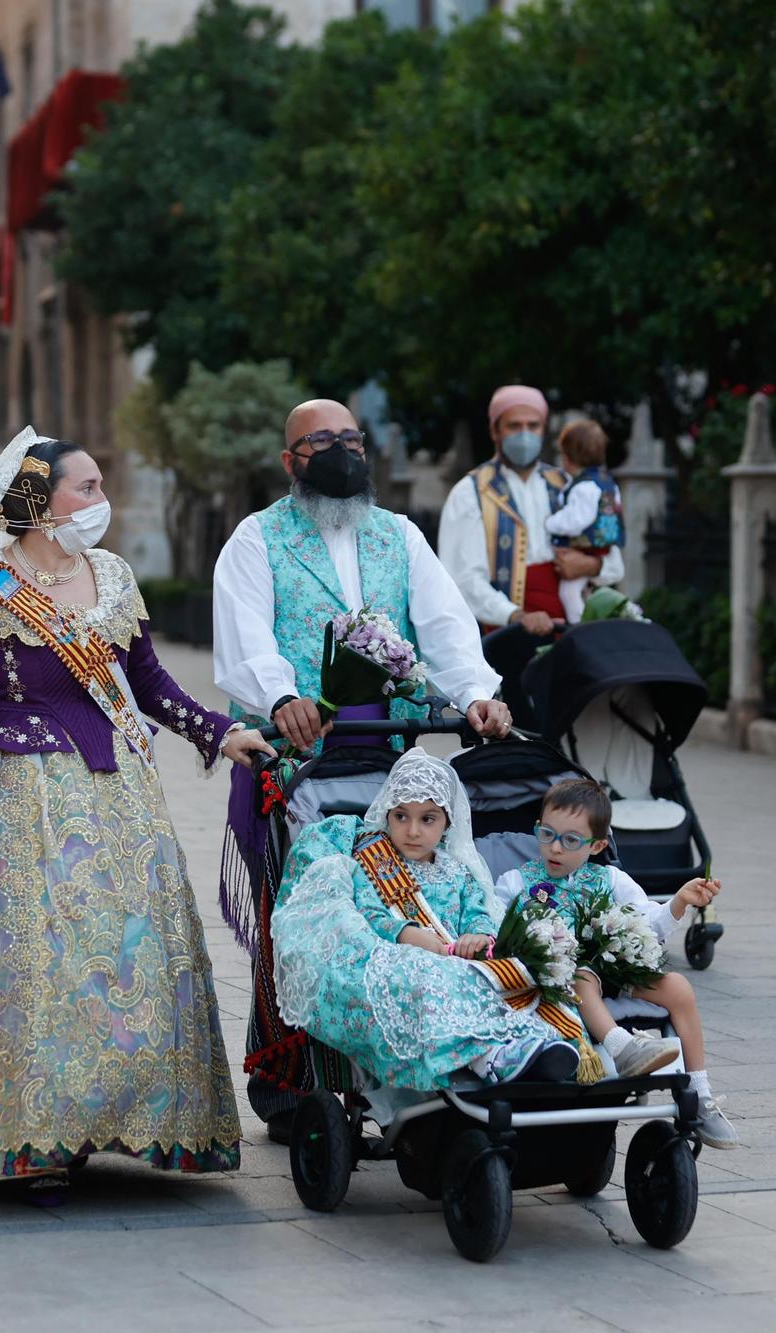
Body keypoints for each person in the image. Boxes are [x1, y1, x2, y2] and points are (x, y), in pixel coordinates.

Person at [0, 428, 276, 1195]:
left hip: (114, 797)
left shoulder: (114, 576)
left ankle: (126, 1119)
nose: (100, 502)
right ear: (38, 496)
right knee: (30, 966)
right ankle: (31, 1138)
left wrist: (220, 732)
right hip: (8, 797)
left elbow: (151, 681)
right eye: (86, 487)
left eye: (101, 487)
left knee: (121, 959)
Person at [211, 397, 514, 1133]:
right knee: (306, 917)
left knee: (406, 908)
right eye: (320, 441)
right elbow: (247, 634)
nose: (340, 450)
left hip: (389, 764)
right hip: (295, 764)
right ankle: (292, 1079)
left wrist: (477, 694)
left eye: (350, 437)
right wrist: (281, 695)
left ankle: (417, 1050)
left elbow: (444, 625)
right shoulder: (256, 539)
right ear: (290, 461)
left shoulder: (400, 535)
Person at [271, 749, 586, 1093]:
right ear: (387, 813)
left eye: (428, 819)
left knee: (513, 977)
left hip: (459, 958)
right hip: (403, 955)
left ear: (448, 822)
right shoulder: (371, 860)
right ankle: (490, 1057)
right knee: (425, 982)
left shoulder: (458, 871)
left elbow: (478, 912)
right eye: (401, 816)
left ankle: (536, 1043)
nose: (413, 831)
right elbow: (368, 912)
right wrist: (406, 933)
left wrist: (479, 936)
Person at [493, 778, 740, 1148]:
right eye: (547, 835)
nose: (555, 848)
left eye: (571, 840)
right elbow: (498, 929)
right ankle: (624, 1048)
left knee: (679, 988)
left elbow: (648, 924)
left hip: (615, 966)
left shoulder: (610, 879)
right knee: (582, 976)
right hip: (561, 977)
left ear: (598, 845)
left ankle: (699, 1092)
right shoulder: (516, 882)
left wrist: (678, 902)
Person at [436, 386, 624, 721]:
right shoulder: (471, 492)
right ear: (495, 430)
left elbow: (614, 563)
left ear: (544, 429)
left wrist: (590, 563)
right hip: (504, 641)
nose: (525, 435)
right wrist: (516, 616)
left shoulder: (572, 485)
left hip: (569, 636)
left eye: (533, 426)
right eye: (514, 426)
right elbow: (462, 581)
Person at [545, 420, 626, 624]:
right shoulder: (607, 482)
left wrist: (551, 523)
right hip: (602, 546)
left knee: (568, 593)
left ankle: (580, 625)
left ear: (569, 458)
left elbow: (577, 520)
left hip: (583, 547)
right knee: (585, 591)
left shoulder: (584, 487)